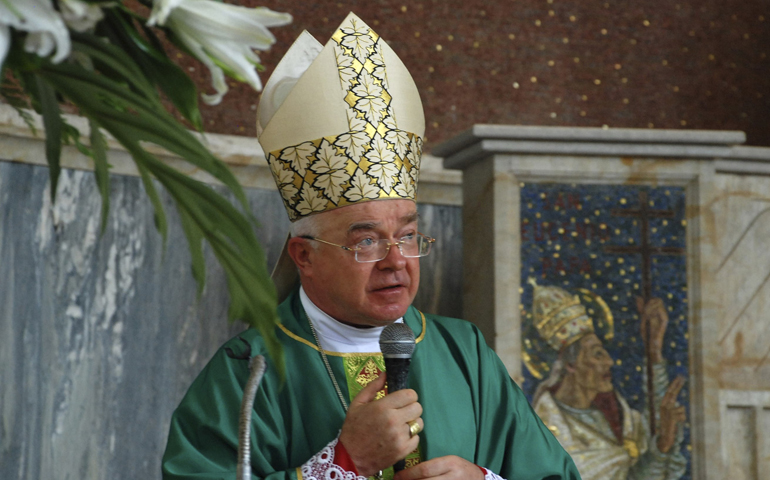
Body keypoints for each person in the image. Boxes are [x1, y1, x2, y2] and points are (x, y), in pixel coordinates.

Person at [162, 13, 581, 480]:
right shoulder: (248, 372)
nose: (396, 261)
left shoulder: (465, 353)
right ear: (305, 256)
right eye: (366, 241)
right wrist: (344, 465)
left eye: (406, 235)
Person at [528, 282, 687, 479]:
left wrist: (654, 351)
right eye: (597, 354)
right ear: (570, 364)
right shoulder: (548, 429)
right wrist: (662, 445)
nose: (609, 362)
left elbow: (651, 441)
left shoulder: (614, 415)